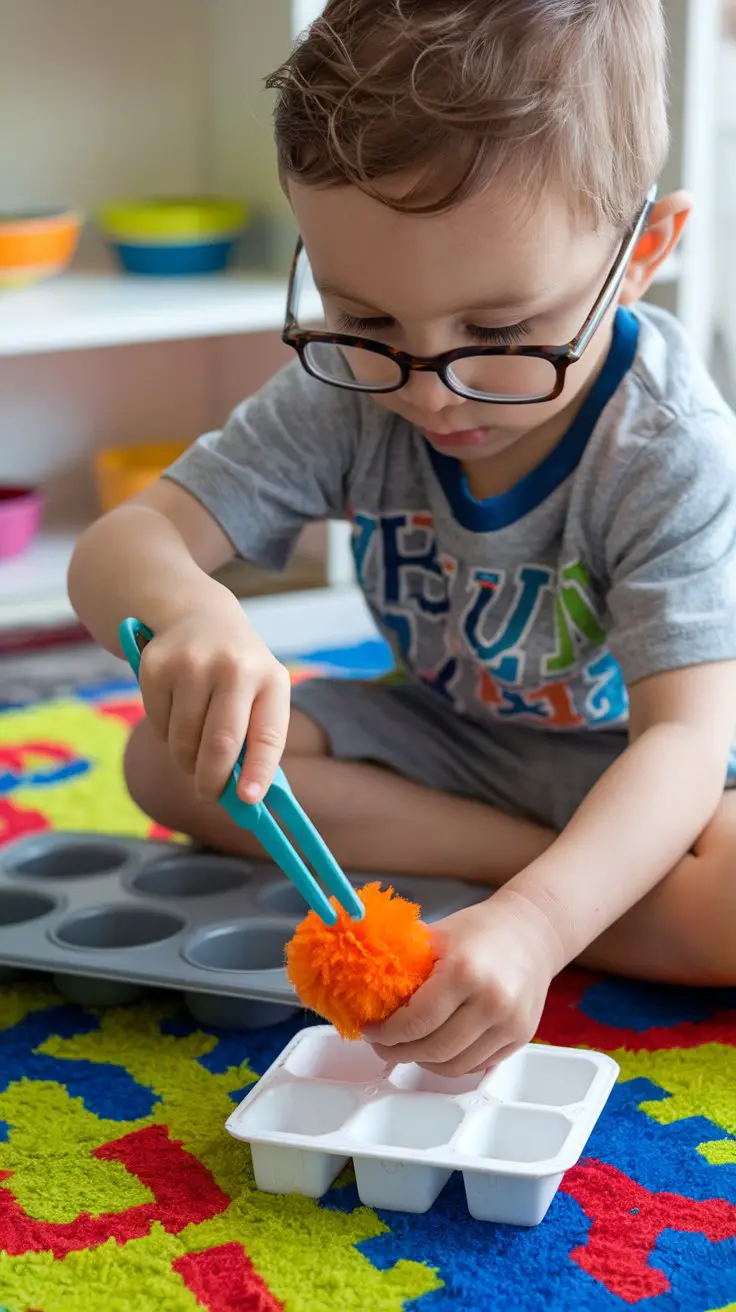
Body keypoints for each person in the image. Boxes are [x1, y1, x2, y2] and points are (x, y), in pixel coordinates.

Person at [69, 0, 736, 1077]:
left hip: (638, 770)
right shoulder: (344, 399)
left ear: (641, 253)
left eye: (501, 332)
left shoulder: (665, 445)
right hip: (447, 740)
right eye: (366, 319)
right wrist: (193, 610)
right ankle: (526, 871)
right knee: (169, 761)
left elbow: (682, 744)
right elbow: (121, 544)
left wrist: (539, 924)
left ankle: (549, 893)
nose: (428, 389)